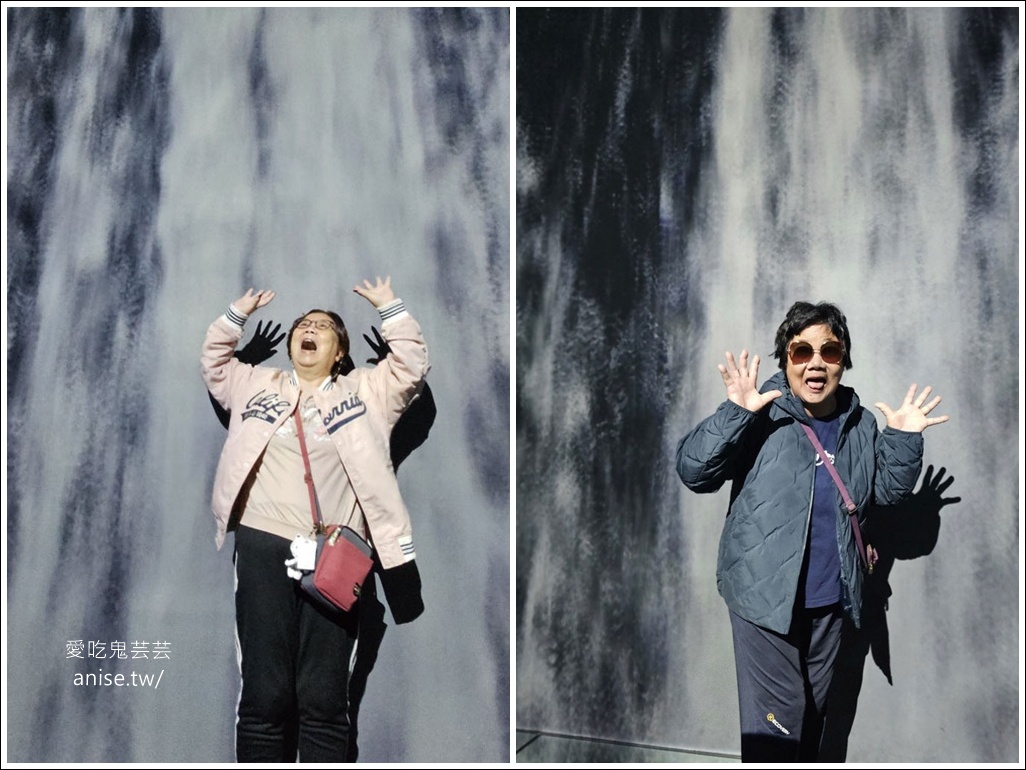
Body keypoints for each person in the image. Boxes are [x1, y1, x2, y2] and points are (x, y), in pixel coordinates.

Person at [675, 301, 948, 762]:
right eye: (801, 351)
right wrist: (734, 414)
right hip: (764, 602)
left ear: (844, 359)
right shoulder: (762, 412)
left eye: (830, 350)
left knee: (817, 722)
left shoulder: (859, 424)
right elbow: (694, 471)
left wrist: (902, 439)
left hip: (833, 603)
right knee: (779, 726)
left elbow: (885, 494)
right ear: (785, 358)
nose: (816, 362)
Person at [200, 276, 430, 762]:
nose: (311, 329)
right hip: (262, 546)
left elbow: (411, 367)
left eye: (323, 327)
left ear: (339, 350)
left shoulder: (368, 390)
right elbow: (214, 364)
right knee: (265, 695)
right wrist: (235, 318)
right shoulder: (256, 382)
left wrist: (390, 308)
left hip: (332, 556)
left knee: (324, 699)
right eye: (304, 325)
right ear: (291, 344)